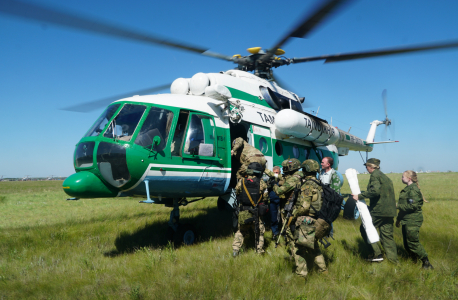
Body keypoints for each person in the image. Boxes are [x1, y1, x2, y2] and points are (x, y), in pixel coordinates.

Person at [352, 158, 399, 264]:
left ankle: (376, 254)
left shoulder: (374, 175)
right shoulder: (385, 177)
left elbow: (375, 191)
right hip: (389, 211)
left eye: (366, 166)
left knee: (365, 228)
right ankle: (394, 262)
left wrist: (359, 196)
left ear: (371, 167)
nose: (366, 168)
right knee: (387, 237)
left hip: (379, 211)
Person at [290, 159, 329, 277]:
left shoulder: (307, 185)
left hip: (306, 220)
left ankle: (301, 275)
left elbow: (305, 207)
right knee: (313, 246)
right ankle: (323, 270)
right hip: (317, 220)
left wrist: (294, 214)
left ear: (305, 170)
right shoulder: (319, 184)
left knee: (299, 248)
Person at [396, 170, 433, 269]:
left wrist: (397, 205)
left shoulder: (413, 190)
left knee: (412, 242)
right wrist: (398, 219)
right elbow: (404, 208)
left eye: (403, 177)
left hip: (413, 220)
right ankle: (413, 260)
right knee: (407, 243)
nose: (401, 178)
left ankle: (426, 262)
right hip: (406, 219)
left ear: (409, 178)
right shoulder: (408, 189)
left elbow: (413, 206)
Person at [232, 162, 268, 256]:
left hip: (244, 211)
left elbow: (237, 192)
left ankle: (235, 250)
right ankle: (259, 251)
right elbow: (265, 198)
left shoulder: (241, 181)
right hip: (256, 212)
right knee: (259, 232)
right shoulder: (262, 183)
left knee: (241, 231)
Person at [264, 166, 284, 240]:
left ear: (279, 172)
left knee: (282, 217)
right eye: (274, 172)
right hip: (272, 201)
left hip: (281, 200)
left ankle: (283, 232)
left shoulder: (282, 178)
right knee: (273, 218)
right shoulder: (271, 180)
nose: (275, 174)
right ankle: (274, 233)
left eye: (276, 172)